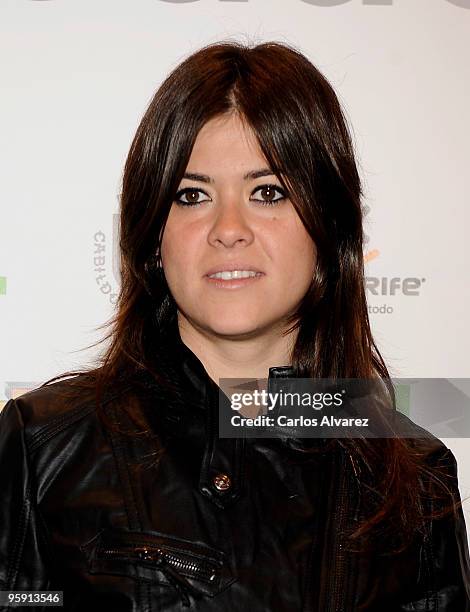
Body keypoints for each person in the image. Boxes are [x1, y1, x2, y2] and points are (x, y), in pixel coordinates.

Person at [1, 40, 469, 612]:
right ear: (153, 240)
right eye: (192, 196)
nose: (229, 228)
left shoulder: (414, 479)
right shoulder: (44, 447)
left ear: (327, 231)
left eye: (267, 193)